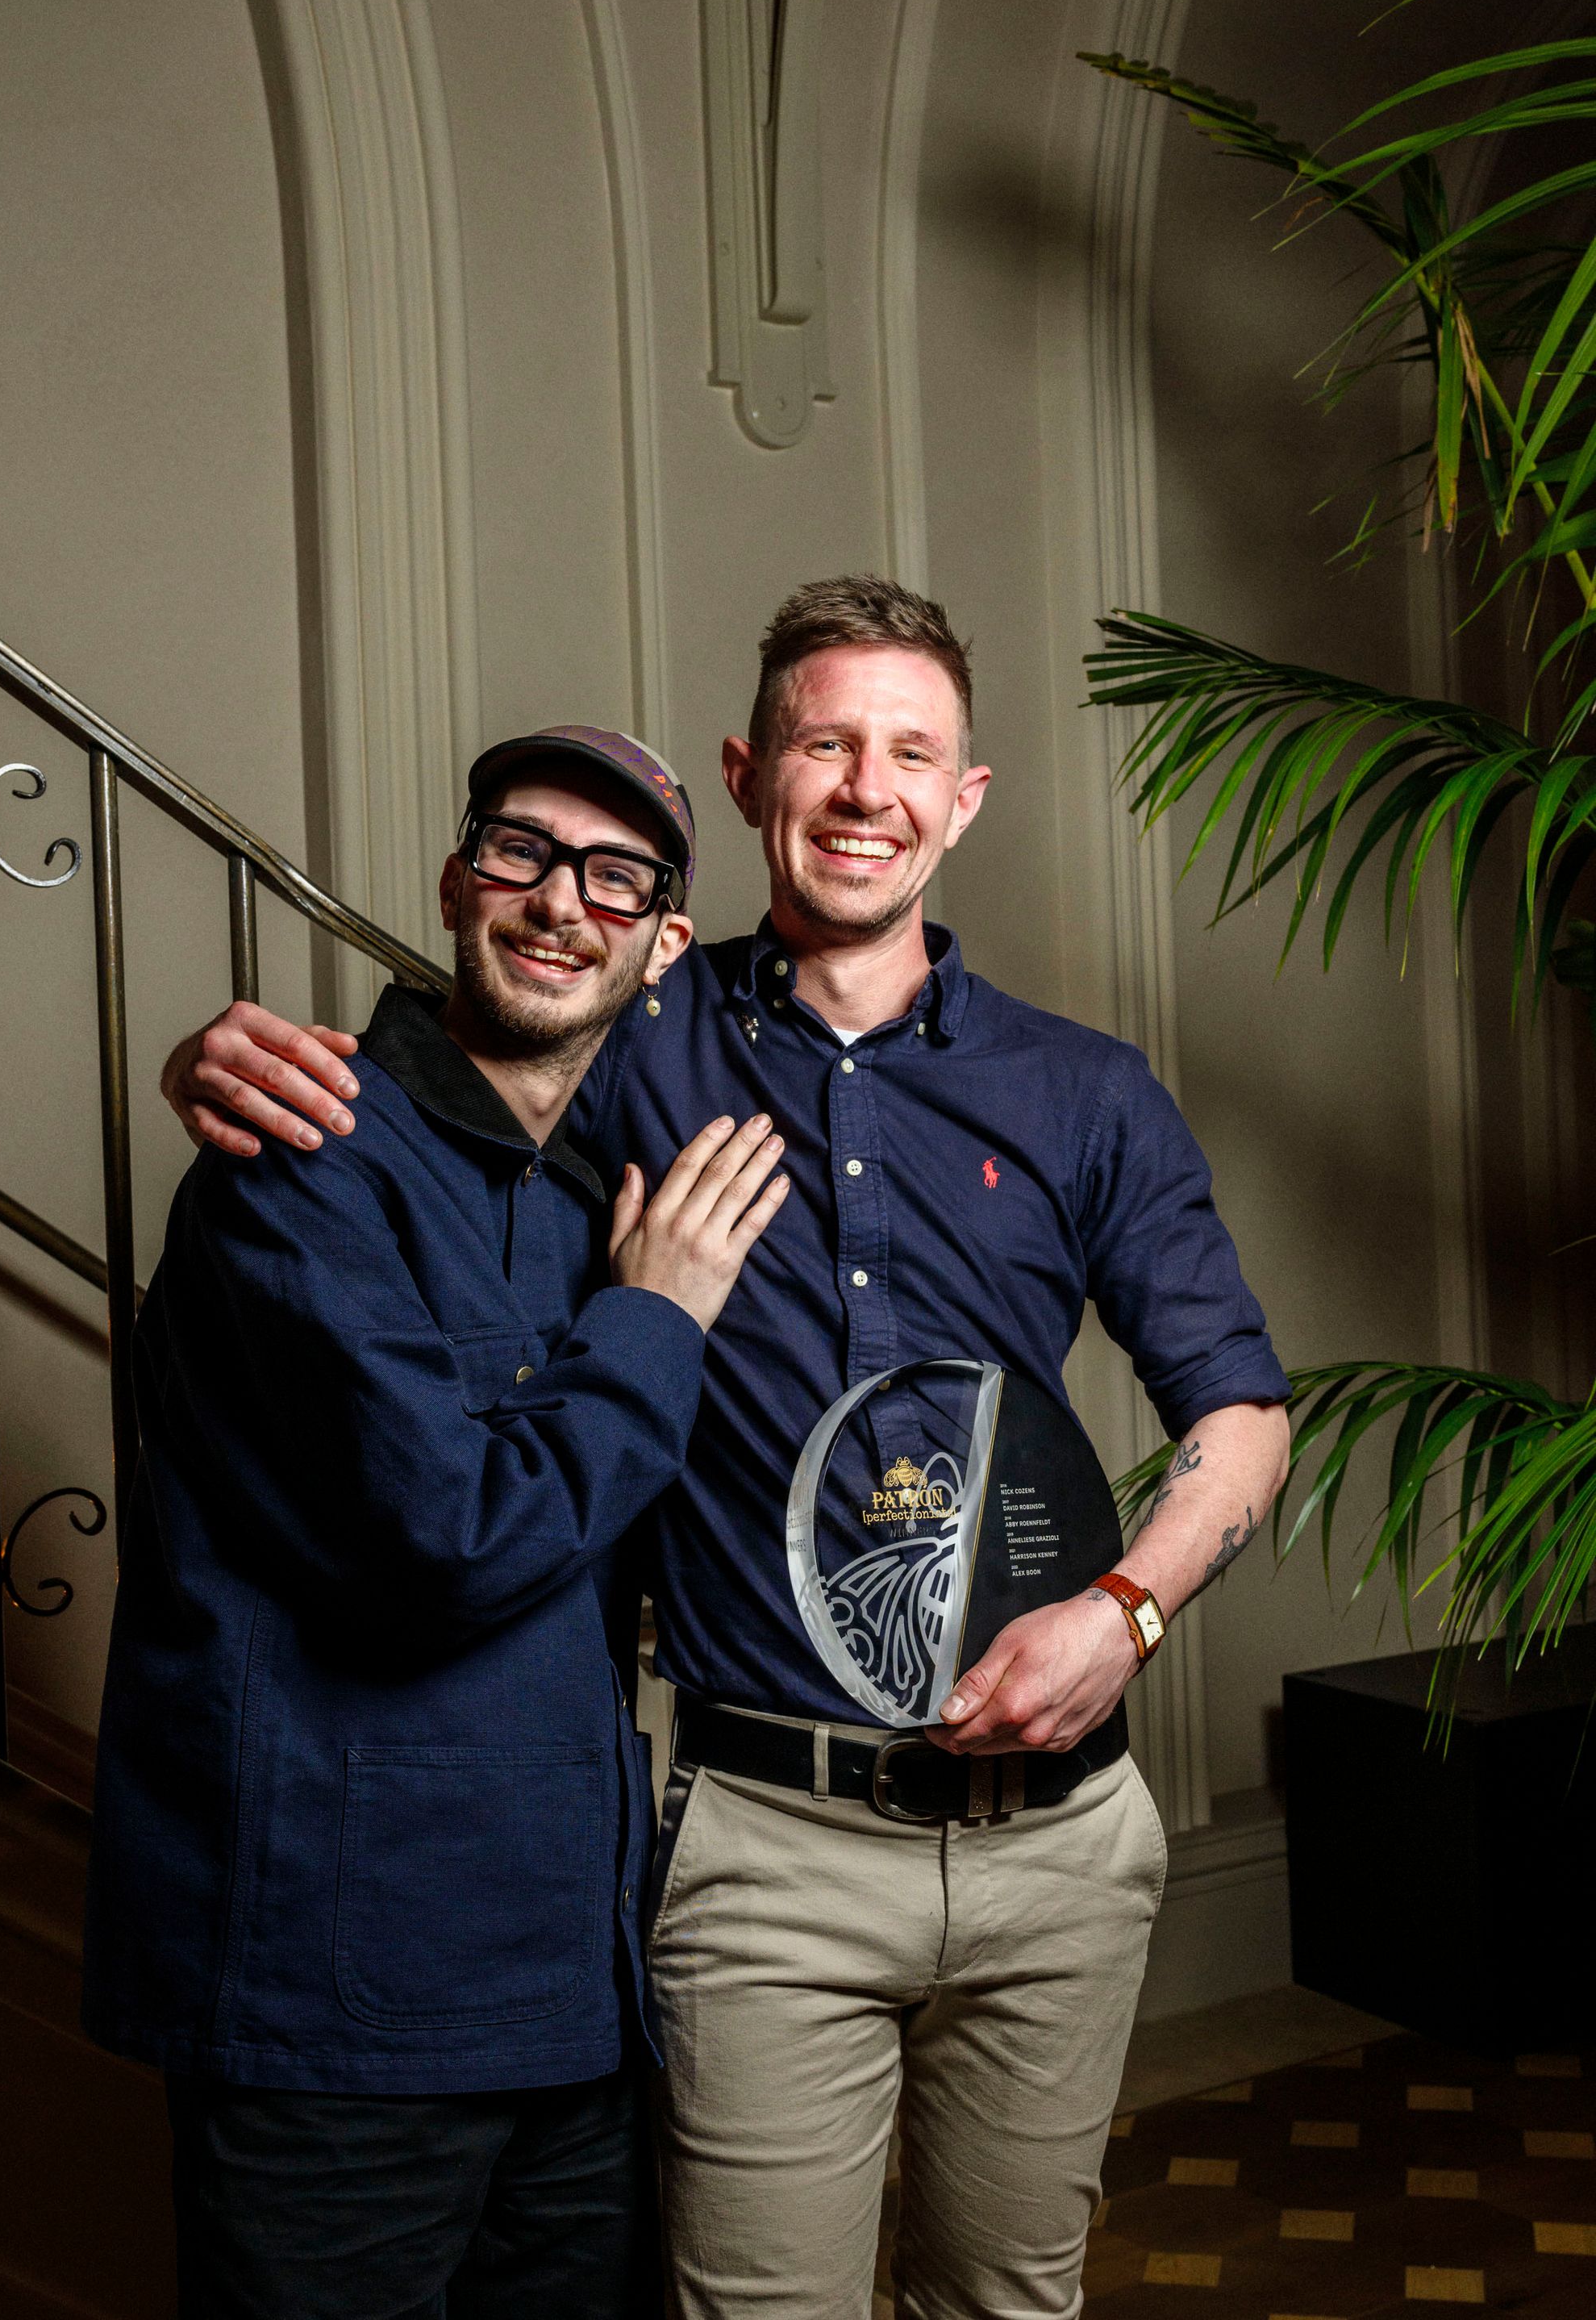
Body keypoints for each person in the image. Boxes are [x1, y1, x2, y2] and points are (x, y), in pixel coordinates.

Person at [161, 577, 1294, 2320]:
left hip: (1060, 1842)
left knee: (1017, 2302)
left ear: (964, 797)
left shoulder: (1087, 1093)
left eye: (910, 752)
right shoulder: (632, 1038)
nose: (866, 787)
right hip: (764, 1842)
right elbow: (471, 1058)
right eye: (826, 744)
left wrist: (1126, 1615)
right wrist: (236, 1058)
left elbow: (1239, 1417)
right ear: (752, 772)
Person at [86, 729, 789, 2320]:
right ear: (458, 880)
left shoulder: (615, 1196)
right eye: (521, 853)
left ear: (664, 940)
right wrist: (658, 1326)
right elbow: (450, 1541)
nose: (561, 904)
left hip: (574, 2005)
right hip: (339, 2017)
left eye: (617, 878)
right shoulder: (302, 1156)